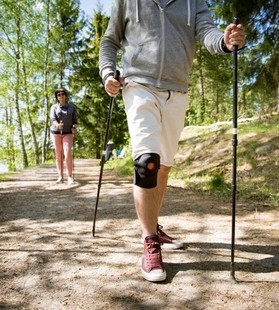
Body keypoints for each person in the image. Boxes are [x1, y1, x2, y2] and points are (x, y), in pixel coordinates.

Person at [99, 0, 246, 282]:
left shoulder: (194, 2)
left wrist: (226, 42)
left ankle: (153, 223)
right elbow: (110, 40)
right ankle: (149, 240)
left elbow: (208, 33)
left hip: (177, 90)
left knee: (163, 165)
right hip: (138, 85)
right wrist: (108, 73)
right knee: (147, 164)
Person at [50, 88, 78, 185]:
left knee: (67, 153)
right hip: (56, 133)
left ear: (65, 96)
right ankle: (60, 176)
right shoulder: (54, 107)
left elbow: (75, 121)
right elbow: (53, 119)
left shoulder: (71, 108)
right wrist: (57, 125)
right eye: (58, 95)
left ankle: (69, 176)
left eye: (62, 94)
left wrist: (74, 127)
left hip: (67, 133)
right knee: (58, 155)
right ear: (57, 97)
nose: (61, 96)